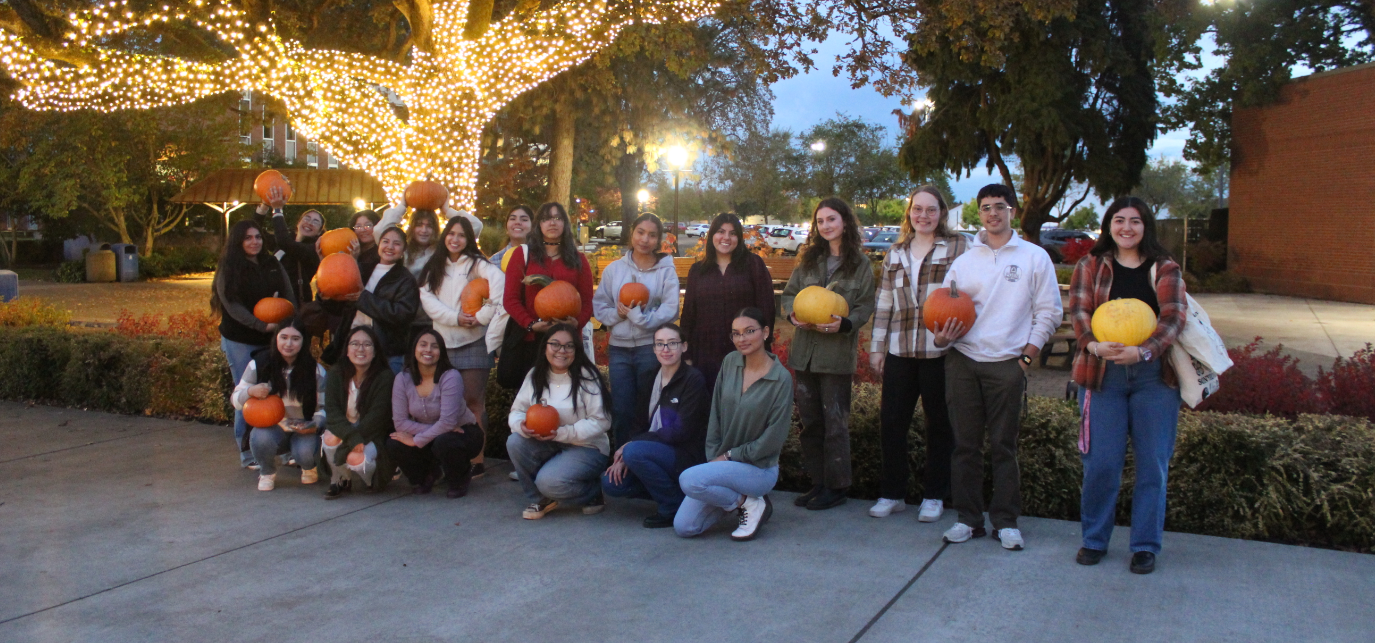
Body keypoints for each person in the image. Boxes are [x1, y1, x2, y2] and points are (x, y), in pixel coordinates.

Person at [934, 184, 1062, 551]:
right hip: (963, 360)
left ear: (1012, 211)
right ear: (980, 213)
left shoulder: (1034, 257)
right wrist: (942, 340)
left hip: (1007, 363)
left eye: (1000, 207)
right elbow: (944, 311)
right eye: (986, 207)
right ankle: (968, 519)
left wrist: (1026, 357)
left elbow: (1049, 312)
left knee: (1004, 447)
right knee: (965, 447)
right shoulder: (964, 261)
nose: (993, 213)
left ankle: (1005, 521)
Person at [1070, 197, 1187, 575]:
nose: (1126, 228)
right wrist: (1092, 344)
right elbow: (1079, 313)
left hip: (1154, 378)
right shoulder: (1090, 265)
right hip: (1103, 376)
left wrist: (1145, 352)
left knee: (1153, 464)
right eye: (1119, 220)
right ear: (1108, 226)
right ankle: (1094, 539)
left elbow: (1173, 318)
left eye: (1135, 222)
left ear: (1145, 227)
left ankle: (1145, 545)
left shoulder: (1165, 267)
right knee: (1101, 463)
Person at [867, 186, 969, 521]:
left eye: (930, 209)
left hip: (940, 351)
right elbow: (884, 303)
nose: (922, 216)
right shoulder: (896, 252)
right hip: (900, 348)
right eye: (916, 209)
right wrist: (877, 347)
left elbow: (969, 295)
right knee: (892, 423)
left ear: (942, 213)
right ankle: (892, 493)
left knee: (939, 425)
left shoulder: (959, 247)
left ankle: (935, 495)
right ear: (909, 213)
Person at [781, 198, 875, 511]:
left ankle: (837, 486)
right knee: (810, 423)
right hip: (805, 353)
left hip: (835, 357)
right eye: (820, 221)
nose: (826, 226)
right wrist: (792, 315)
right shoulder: (808, 259)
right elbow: (790, 295)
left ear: (845, 222)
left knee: (835, 423)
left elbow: (864, 305)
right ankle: (817, 482)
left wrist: (846, 324)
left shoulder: (859, 263)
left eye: (831, 219)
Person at [675, 308, 791, 541]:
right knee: (685, 527)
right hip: (722, 464)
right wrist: (714, 459)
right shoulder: (730, 362)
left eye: (749, 331)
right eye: (736, 334)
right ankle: (744, 502)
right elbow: (715, 414)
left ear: (765, 332)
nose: (742, 339)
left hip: (758, 469)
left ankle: (750, 500)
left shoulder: (781, 379)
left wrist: (728, 456)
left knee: (689, 479)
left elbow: (772, 440)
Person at [420, 215, 505, 478]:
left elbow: (499, 289)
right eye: (451, 234)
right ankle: (447, 456)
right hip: (442, 343)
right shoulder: (433, 266)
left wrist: (480, 317)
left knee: (473, 402)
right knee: (444, 403)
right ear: (445, 236)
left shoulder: (479, 265)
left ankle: (476, 459)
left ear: (469, 239)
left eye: (461, 235)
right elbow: (428, 300)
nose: (455, 239)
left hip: (474, 341)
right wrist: (455, 318)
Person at [600, 324, 708, 528]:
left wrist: (632, 447)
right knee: (611, 483)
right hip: (652, 451)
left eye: (672, 343)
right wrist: (629, 452)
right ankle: (676, 493)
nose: (665, 349)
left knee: (634, 452)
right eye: (660, 344)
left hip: (684, 454)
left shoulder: (692, 380)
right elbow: (638, 423)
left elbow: (681, 430)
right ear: (654, 349)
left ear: (684, 346)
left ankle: (671, 506)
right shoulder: (651, 378)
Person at [212, 219, 297, 469]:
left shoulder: (272, 264)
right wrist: (262, 326)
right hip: (240, 338)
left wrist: (288, 324)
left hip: (272, 338)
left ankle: (282, 448)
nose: (254, 242)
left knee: (280, 391)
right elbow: (232, 305)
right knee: (247, 393)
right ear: (238, 241)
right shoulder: (229, 267)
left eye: (258, 237)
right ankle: (248, 452)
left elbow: (288, 294)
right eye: (248, 237)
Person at [506, 324, 611, 519]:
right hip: (548, 443)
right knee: (515, 441)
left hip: (586, 447)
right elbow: (517, 411)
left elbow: (601, 421)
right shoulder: (535, 375)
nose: (561, 351)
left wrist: (562, 432)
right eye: (555, 344)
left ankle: (592, 492)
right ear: (545, 346)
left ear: (576, 350)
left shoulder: (587, 378)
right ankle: (540, 498)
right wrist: (521, 425)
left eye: (568, 346)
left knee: (550, 482)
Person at [593, 213, 680, 447]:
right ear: (632, 234)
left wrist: (640, 318)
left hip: (649, 349)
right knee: (621, 409)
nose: (645, 239)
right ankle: (621, 461)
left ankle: (644, 457)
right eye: (640, 232)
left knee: (647, 407)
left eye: (652, 235)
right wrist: (618, 315)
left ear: (659, 240)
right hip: (619, 349)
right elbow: (600, 305)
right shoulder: (614, 270)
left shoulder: (665, 270)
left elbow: (671, 310)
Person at [498, 202, 594, 390]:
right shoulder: (522, 255)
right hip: (530, 341)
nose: (552, 222)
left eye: (558, 218)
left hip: (566, 343)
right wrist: (531, 324)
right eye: (547, 218)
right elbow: (510, 299)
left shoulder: (578, 259)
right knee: (530, 397)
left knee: (565, 395)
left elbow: (588, 301)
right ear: (539, 224)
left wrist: (577, 323)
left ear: (565, 224)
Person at [680, 212, 776, 388]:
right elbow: (688, 316)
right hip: (706, 353)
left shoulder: (753, 265)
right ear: (712, 236)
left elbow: (767, 308)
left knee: (743, 409)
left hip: (745, 350)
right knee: (709, 408)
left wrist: (763, 347)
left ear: (739, 238)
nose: (726, 237)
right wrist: (686, 355)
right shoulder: (698, 271)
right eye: (721, 232)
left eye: (732, 233)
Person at [232, 317, 327, 492]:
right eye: (283, 337)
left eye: (295, 338)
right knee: (260, 437)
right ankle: (267, 471)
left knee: (305, 454)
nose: (288, 343)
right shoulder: (258, 365)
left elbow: (324, 407)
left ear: (304, 341)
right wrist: (250, 392)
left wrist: (315, 424)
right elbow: (236, 400)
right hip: (273, 429)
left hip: (303, 429)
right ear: (276, 338)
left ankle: (308, 465)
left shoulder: (316, 371)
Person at [388, 330, 485, 499]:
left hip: (463, 433)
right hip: (441, 432)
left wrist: (417, 440)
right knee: (395, 442)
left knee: (445, 441)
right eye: (423, 345)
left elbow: (449, 422)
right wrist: (433, 430)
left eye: (434, 346)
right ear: (414, 349)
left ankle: (459, 479)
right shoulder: (403, 379)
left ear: (441, 352)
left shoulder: (450, 377)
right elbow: (400, 423)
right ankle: (426, 475)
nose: (428, 350)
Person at [323, 226, 419, 372]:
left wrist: (364, 298)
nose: (390, 247)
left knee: (382, 393)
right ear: (378, 245)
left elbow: (401, 314)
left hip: (385, 351)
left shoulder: (405, 280)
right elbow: (343, 306)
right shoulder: (362, 269)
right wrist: (326, 297)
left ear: (403, 251)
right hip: (352, 345)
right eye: (385, 241)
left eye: (397, 244)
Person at [322, 326, 396, 499]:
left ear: (375, 351)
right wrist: (351, 437)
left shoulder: (385, 377)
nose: (360, 349)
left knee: (356, 459)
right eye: (354, 344)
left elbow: (377, 418)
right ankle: (339, 479)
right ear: (347, 350)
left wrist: (352, 440)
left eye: (367, 344)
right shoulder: (336, 374)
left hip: (371, 433)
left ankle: (371, 480)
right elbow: (332, 412)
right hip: (345, 430)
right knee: (330, 438)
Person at [255, 187, 322, 304]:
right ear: (298, 223)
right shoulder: (286, 239)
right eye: (307, 218)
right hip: (270, 300)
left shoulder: (313, 249)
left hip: (293, 305)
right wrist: (265, 205)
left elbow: (285, 243)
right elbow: (255, 230)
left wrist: (277, 210)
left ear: (319, 232)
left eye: (316, 222)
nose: (310, 223)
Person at [489, 205, 533, 270]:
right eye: (512, 219)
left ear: (533, 227)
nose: (517, 222)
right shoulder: (493, 262)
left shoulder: (542, 258)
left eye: (524, 220)